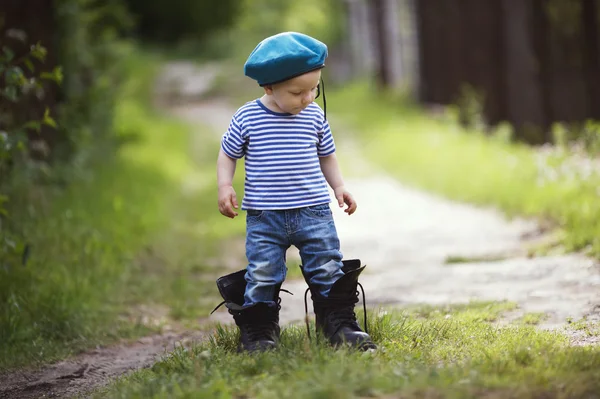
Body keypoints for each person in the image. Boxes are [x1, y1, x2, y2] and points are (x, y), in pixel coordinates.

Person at [212, 31, 376, 352]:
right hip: (265, 217)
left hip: (314, 213)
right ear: (268, 87)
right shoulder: (247, 117)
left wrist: (339, 186)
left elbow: (326, 154)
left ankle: (338, 325)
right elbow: (227, 153)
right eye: (298, 92)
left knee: (327, 266)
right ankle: (260, 333)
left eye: (315, 88)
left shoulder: (313, 115)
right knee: (262, 273)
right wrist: (224, 185)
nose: (308, 98)